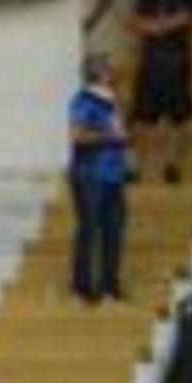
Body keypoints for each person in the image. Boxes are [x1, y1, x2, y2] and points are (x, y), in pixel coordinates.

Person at [124, 0, 192, 185]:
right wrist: (152, 26)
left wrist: (157, 26)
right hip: (150, 65)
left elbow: (187, 19)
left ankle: (173, 165)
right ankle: (135, 166)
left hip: (178, 65)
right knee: (142, 118)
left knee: (178, 119)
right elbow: (134, 23)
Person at [64, 50, 127, 304]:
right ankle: (83, 285)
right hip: (90, 174)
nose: (115, 71)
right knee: (89, 230)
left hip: (113, 175)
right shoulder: (82, 101)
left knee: (114, 230)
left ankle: (110, 282)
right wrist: (111, 137)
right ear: (100, 72)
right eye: (111, 67)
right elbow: (77, 136)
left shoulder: (112, 100)